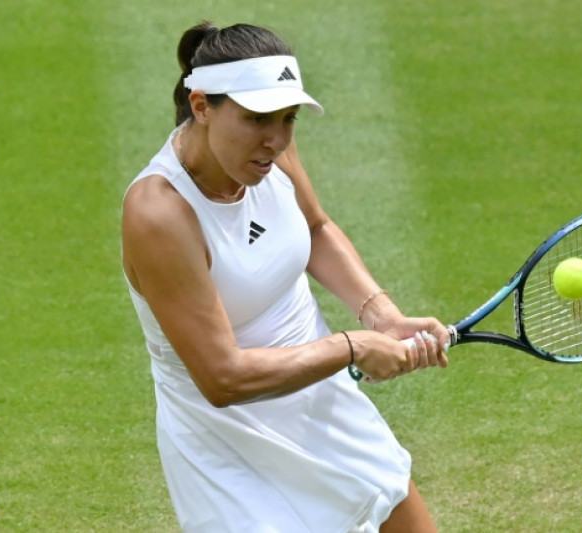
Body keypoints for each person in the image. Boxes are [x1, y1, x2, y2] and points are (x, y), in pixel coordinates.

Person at [121, 21, 449, 533]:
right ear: (203, 106)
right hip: (226, 441)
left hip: (322, 404)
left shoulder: (267, 153)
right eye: (256, 119)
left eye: (288, 118)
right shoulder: (158, 214)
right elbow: (223, 378)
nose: (275, 140)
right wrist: (352, 348)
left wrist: (382, 316)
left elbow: (315, 229)